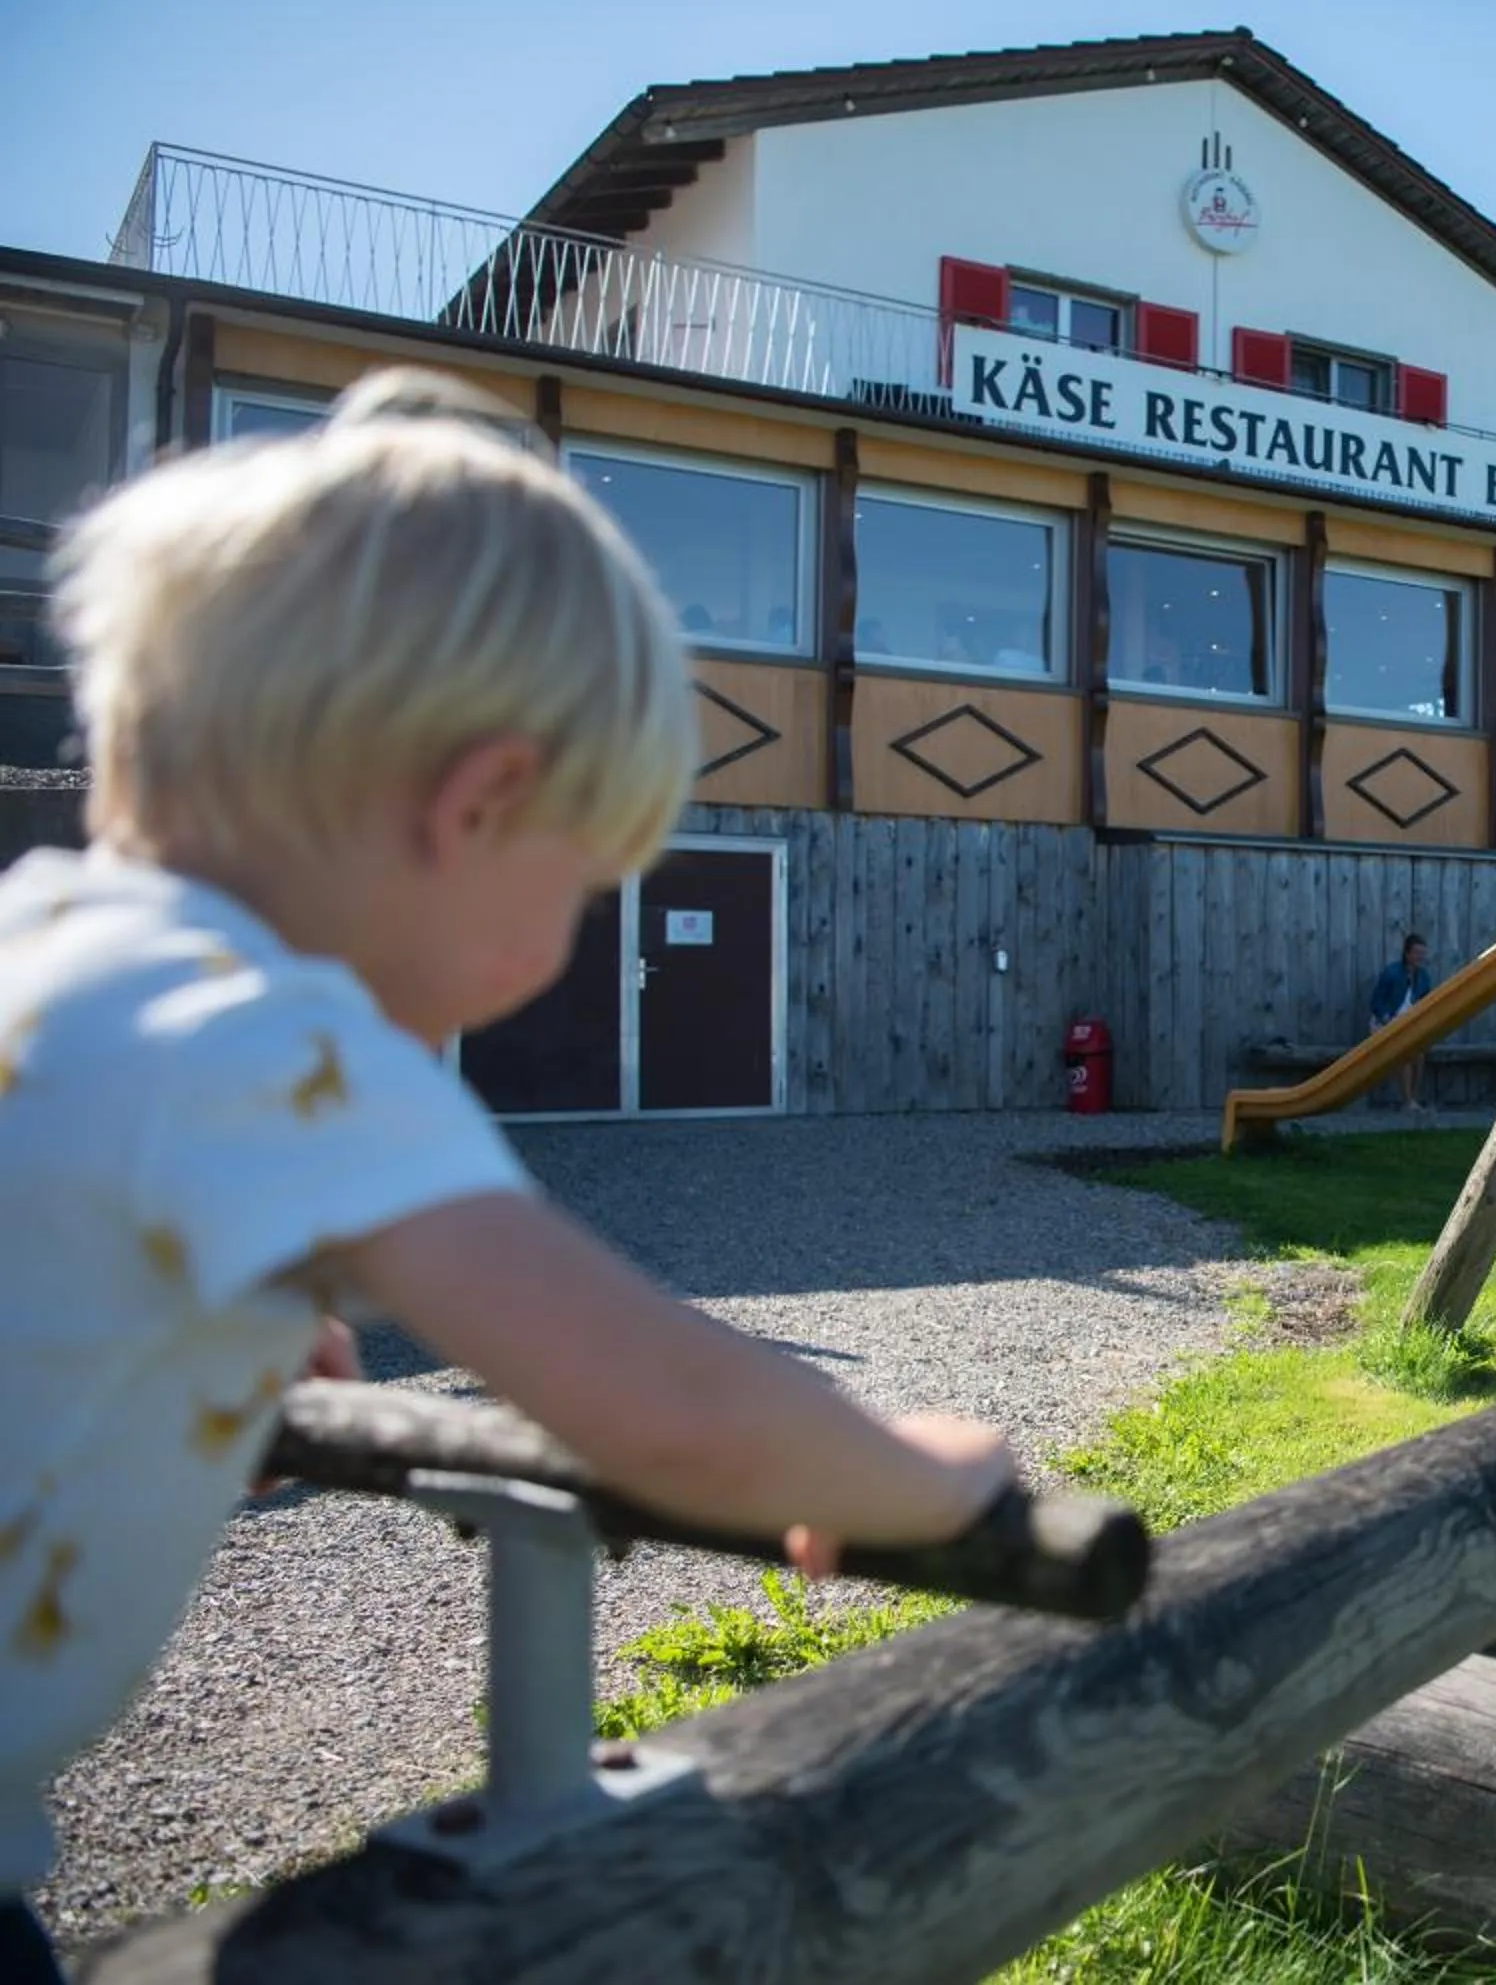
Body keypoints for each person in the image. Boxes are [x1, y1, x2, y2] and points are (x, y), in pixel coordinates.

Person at [0, 372, 1016, 1979]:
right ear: (476, 806)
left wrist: (185, 1347)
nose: (554, 962)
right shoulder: (270, 1036)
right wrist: (911, 1472)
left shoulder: (46, 953)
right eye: (581, 890)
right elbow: (664, 1402)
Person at [1367, 931, 1434, 1112]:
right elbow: (1376, 1003)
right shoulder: (1392, 973)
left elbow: (1427, 1002)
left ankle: (1412, 1099)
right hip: (1385, 1022)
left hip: (1406, 1025)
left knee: (1419, 1055)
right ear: (1407, 954)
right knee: (1403, 1052)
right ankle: (1407, 1101)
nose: (1421, 957)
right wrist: (1387, 1018)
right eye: (1417, 953)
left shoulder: (1423, 977)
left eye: (1423, 953)